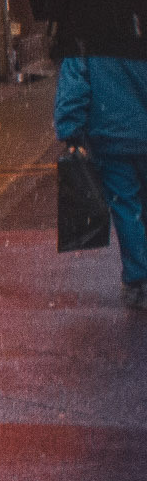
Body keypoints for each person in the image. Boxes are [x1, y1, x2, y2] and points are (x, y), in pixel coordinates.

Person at [54, 43, 147, 307]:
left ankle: (139, 281)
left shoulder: (89, 32)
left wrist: (71, 131)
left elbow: (75, 86)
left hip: (111, 135)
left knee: (126, 206)